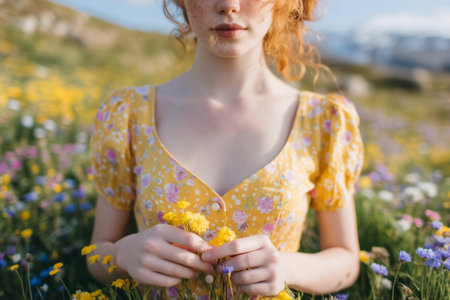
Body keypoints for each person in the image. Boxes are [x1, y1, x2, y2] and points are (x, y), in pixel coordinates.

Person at [87, 0, 364, 298]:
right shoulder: (128, 114)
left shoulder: (323, 121)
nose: (229, 5)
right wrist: (124, 256)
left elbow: (346, 260)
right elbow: (96, 254)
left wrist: (287, 268)